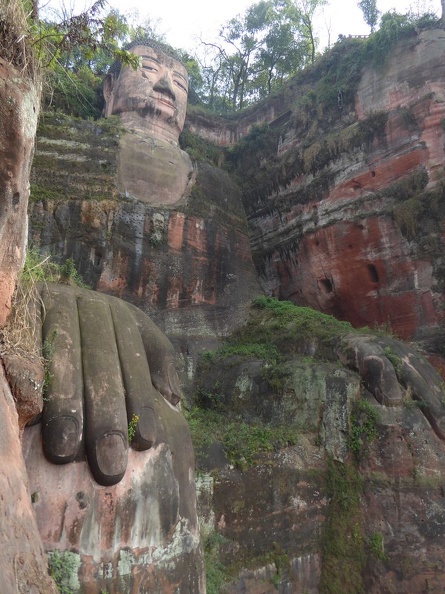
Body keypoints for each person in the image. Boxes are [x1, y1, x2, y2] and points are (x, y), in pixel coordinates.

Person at [103, 40, 194, 206]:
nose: (166, 87)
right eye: (149, 68)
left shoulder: (212, 182)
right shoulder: (81, 142)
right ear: (110, 87)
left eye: (179, 83)